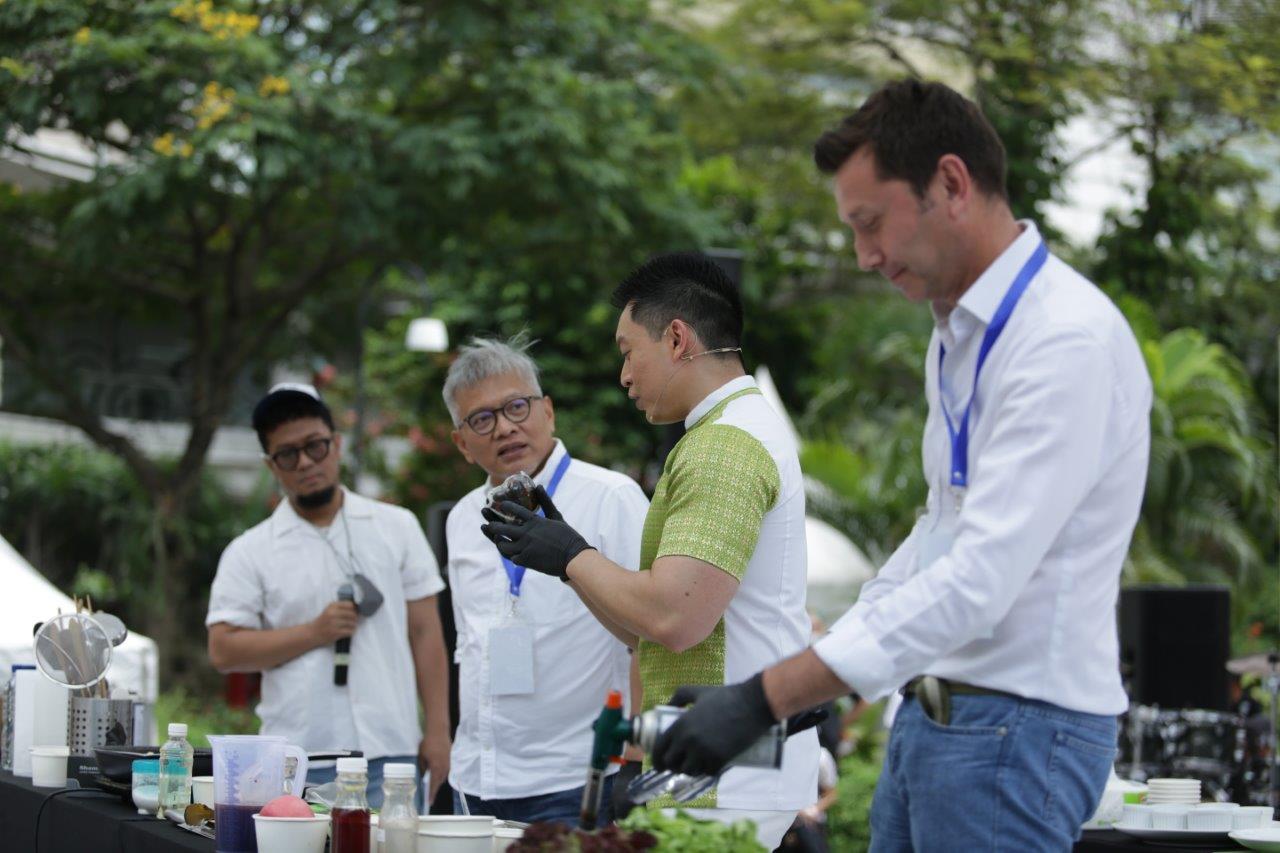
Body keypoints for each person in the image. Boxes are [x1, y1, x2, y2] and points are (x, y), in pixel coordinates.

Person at [645, 79, 1154, 852]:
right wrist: (819, 673)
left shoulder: (1061, 340)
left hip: (1015, 728)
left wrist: (767, 695)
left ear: (951, 183)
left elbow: (979, 579)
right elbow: (938, 530)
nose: (864, 255)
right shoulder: (957, 336)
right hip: (938, 716)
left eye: (871, 222)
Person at [480, 255, 820, 850]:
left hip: (726, 772)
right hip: (720, 763)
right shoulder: (728, 431)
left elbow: (675, 618)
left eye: (628, 351)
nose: (624, 376)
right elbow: (648, 633)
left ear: (678, 339)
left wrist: (570, 554)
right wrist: (568, 561)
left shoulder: (725, 445)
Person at [206, 383, 452, 809]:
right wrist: (314, 632)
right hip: (299, 758)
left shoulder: (396, 526)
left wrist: (438, 731)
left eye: (315, 446)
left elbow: (426, 632)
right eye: (288, 454)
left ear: (336, 444)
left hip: (391, 753)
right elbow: (224, 649)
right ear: (271, 465)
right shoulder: (250, 550)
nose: (305, 462)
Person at [441, 336, 650, 826]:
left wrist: (637, 760)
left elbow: (650, 634)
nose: (505, 427)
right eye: (481, 419)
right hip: (475, 779)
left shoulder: (611, 497)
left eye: (517, 406)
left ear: (548, 411)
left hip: (576, 777)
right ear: (462, 444)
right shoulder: (461, 518)